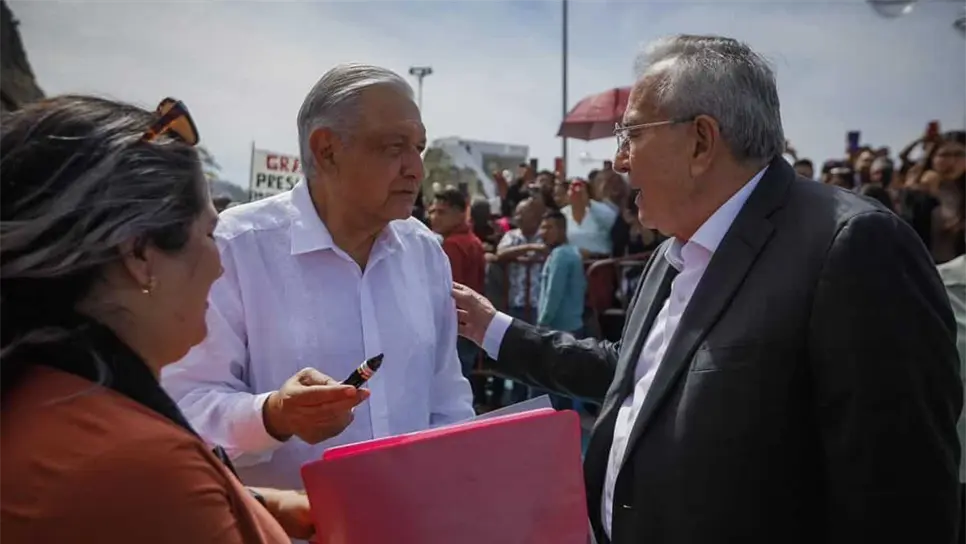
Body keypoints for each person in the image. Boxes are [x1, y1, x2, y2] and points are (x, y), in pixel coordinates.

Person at [452, 35, 961, 544]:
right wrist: (491, 328)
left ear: (700, 141)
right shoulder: (674, 250)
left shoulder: (854, 248)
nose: (619, 162)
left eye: (631, 136)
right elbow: (637, 375)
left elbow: (899, 503)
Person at [0, 96, 336, 542]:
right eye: (209, 235)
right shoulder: (140, 465)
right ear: (140, 253)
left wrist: (251, 503)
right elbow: (140, 489)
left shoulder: (40, 390)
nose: (219, 265)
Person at [162, 64, 475, 491]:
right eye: (394, 147)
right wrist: (272, 416)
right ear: (327, 150)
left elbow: (447, 399)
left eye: (418, 148)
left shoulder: (425, 253)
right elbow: (183, 407)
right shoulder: (234, 248)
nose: (416, 170)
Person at [429, 187, 487, 403]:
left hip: (453, 326)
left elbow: (446, 292)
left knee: (451, 391)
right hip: (468, 323)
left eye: (442, 212)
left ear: (461, 213)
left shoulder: (452, 246)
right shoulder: (473, 242)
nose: (434, 217)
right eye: (433, 211)